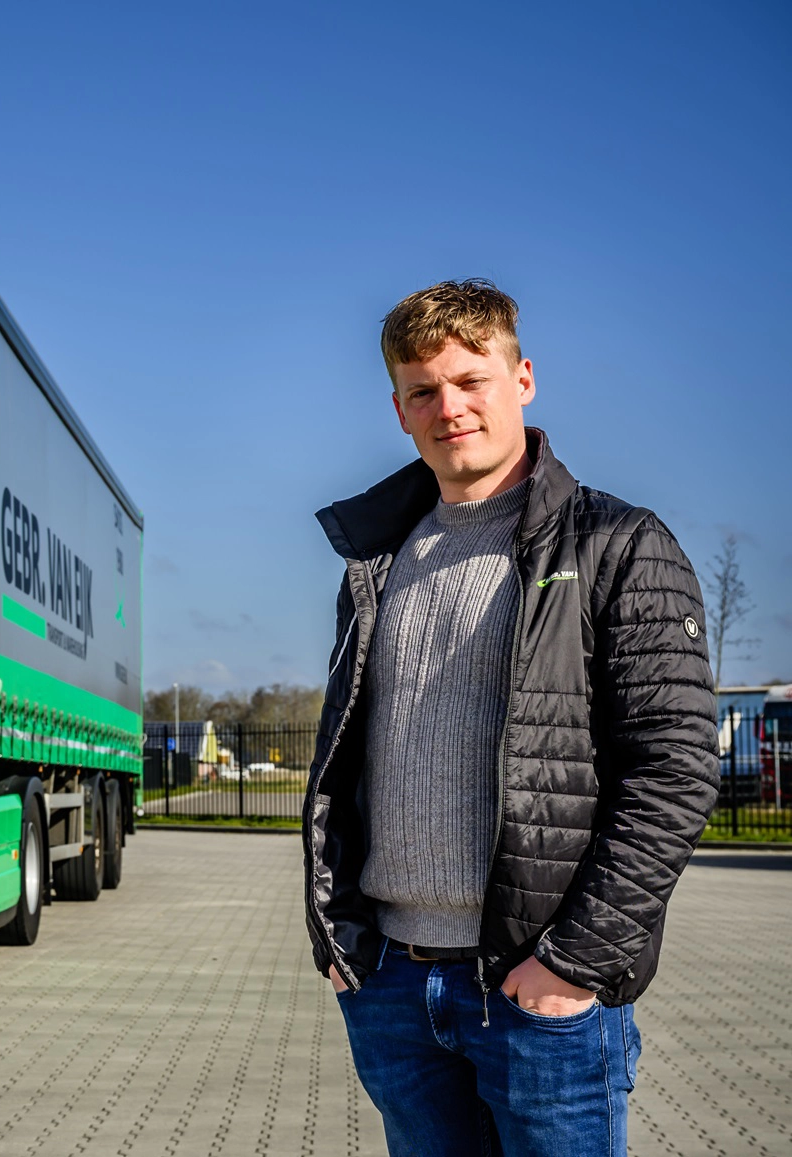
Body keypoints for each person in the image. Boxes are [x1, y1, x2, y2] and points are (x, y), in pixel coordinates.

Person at [302, 279, 719, 1156]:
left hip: (538, 993)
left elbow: (674, 769)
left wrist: (574, 962)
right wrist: (342, 945)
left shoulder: (618, 544)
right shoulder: (375, 561)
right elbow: (343, 759)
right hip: (391, 987)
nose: (448, 407)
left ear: (521, 379)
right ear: (398, 410)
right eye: (422, 390)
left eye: (470, 380)